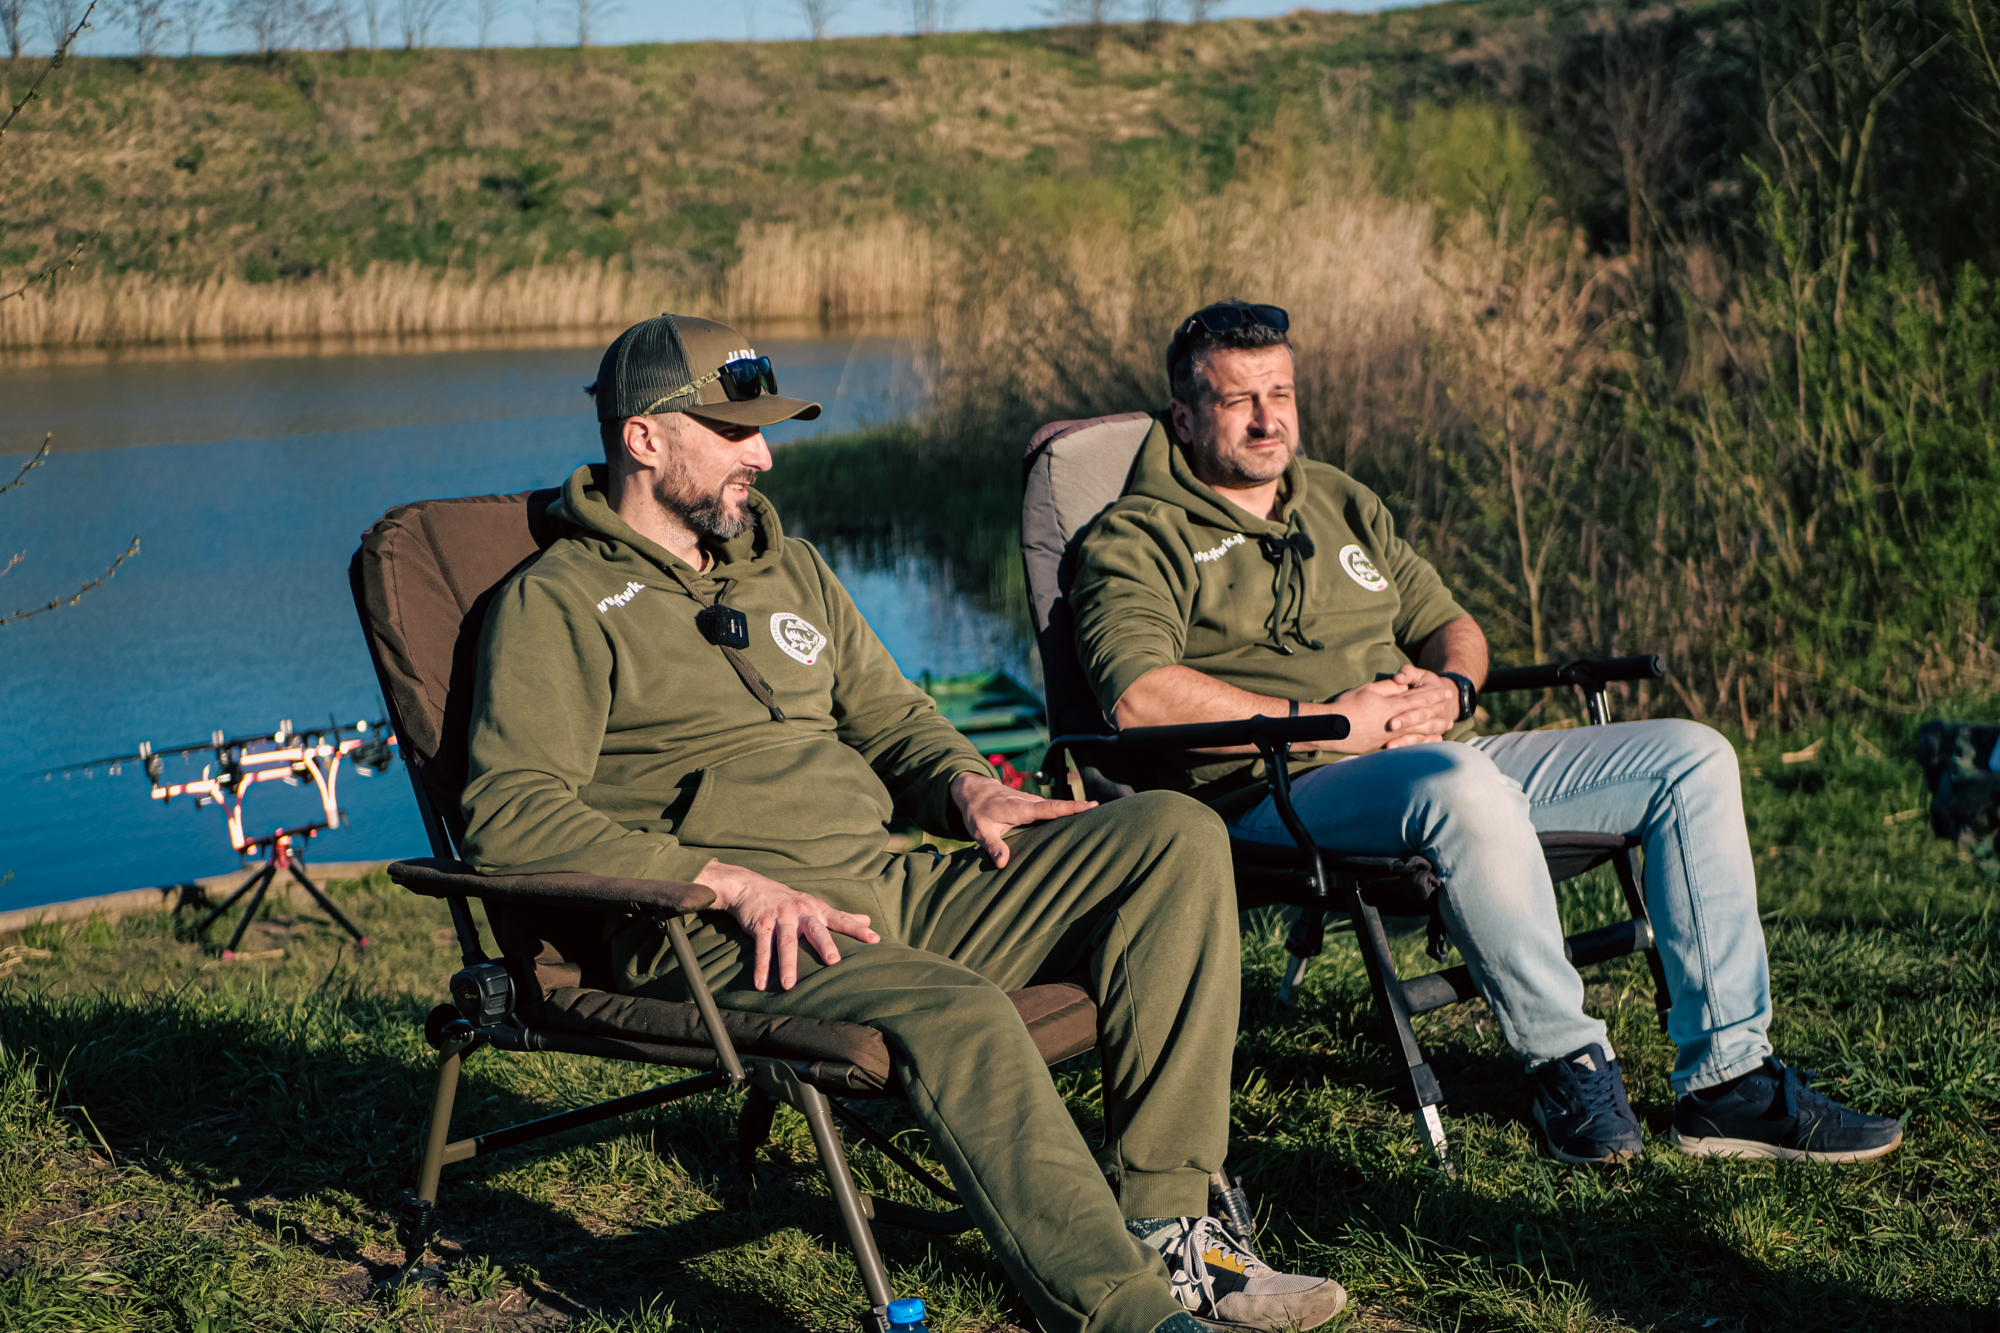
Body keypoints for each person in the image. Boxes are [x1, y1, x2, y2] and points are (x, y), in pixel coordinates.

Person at [458, 312, 1348, 1333]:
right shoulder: (557, 603)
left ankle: (1171, 1223)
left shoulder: (788, 568)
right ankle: (1126, 1311)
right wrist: (722, 880)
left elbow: (891, 716)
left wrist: (967, 787)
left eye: (764, 430)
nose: (763, 455)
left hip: (887, 890)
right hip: (726, 935)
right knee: (958, 1006)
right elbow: (509, 814)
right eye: (735, 431)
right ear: (644, 439)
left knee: (1173, 834)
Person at [1067, 299, 1905, 1167]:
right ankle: (1569, 1066)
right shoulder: (1138, 535)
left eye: (1280, 393)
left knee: (1692, 756)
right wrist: (1334, 724)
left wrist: (1453, 685)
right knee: (1461, 787)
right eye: (1239, 399)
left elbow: (1451, 625)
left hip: (1427, 757)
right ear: (1185, 417)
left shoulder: (1342, 502)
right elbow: (1139, 698)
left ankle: (1731, 1082)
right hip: (1277, 788)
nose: (1267, 418)